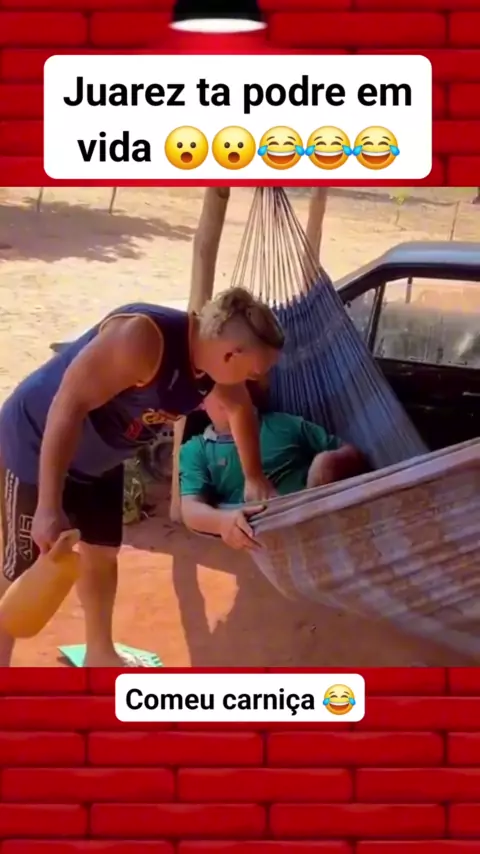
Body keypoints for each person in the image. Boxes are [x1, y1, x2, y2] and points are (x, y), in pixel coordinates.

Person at [0, 287, 285, 666]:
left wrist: (254, 478)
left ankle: (100, 653)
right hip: (37, 444)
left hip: (101, 458)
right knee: (19, 569)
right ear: (230, 353)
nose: (257, 381)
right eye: (254, 372)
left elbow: (240, 409)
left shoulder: (211, 365)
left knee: (102, 553)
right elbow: (66, 405)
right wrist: (49, 506)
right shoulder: (142, 339)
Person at [179, 388, 367, 550]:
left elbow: (350, 453)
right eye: (217, 388)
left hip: (318, 513)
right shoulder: (196, 450)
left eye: (235, 387)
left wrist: (324, 470)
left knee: (324, 461)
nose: (228, 394)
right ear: (200, 402)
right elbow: (190, 509)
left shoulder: (283, 424)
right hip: (264, 532)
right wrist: (222, 522)